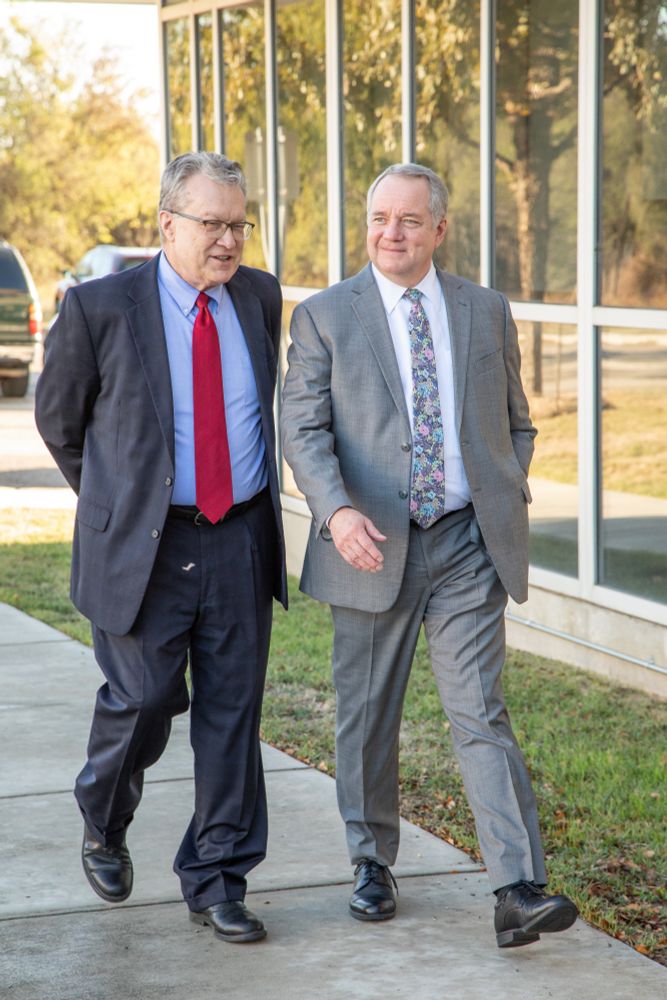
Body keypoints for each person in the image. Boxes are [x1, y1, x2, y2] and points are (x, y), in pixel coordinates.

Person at [280, 162, 577, 948]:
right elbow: (301, 431)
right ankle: (370, 862)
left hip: (465, 543)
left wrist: (504, 483)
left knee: (479, 712)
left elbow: (515, 418)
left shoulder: (485, 309)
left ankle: (517, 886)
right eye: (380, 217)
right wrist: (335, 511)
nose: (391, 233)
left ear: (438, 229)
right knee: (367, 715)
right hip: (368, 545)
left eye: (409, 220)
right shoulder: (322, 318)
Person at [35, 151, 287, 945]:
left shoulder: (258, 297)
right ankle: (103, 817)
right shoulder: (99, 308)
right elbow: (59, 422)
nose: (228, 240)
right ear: (167, 224)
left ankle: (217, 878)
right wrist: (120, 505)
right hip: (148, 547)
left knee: (230, 715)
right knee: (143, 697)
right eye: (212, 224)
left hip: (240, 534)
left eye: (239, 224)